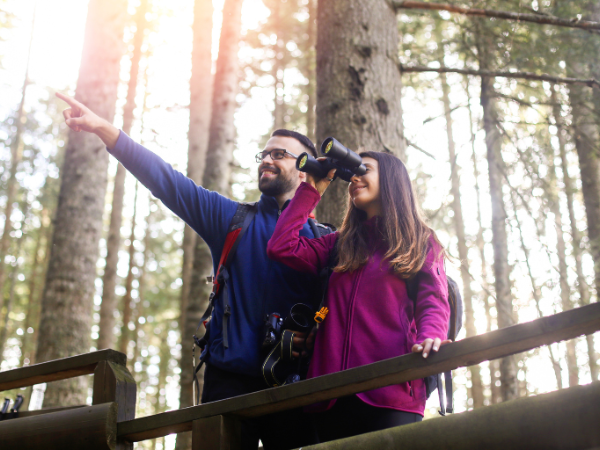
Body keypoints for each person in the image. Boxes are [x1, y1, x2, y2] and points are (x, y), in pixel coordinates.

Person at [57, 92, 320, 450]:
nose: (267, 161)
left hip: (294, 383)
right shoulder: (232, 219)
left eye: (279, 154)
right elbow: (166, 181)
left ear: (305, 169)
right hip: (227, 383)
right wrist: (105, 129)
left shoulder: (324, 238)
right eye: (264, 154)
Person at [267, 150, 451, 442]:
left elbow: (433, 299)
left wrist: (431, 335)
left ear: (392, 180)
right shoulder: (338, 244)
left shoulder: (420, 239)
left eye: (364, 170)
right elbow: (281, 247)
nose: (354, 178)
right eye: (352, 174)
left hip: (392, 391)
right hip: (329, 395)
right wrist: (311, 188)